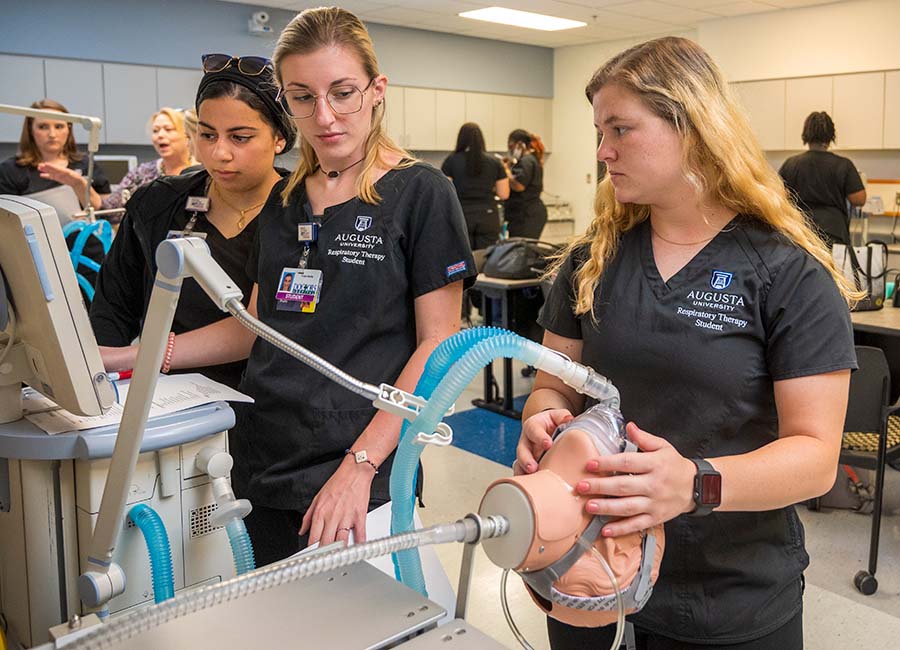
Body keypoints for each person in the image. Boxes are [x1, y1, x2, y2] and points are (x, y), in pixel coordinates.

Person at [515, 37, 857, 650]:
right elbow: (551, 384)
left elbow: (815, 458)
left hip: (727, 600)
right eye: (599, 131)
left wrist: (693, 484)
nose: (603, 151)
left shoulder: (787, 273)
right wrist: (542, 420)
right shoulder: (593, 260)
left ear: (693, 128)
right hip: (589, 576)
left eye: (620, 129)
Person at [222, 5, 474, 566]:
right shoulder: (284, 201)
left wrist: (361, 467)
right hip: (264, 457)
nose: (325, 115)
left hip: (358, 467)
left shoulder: (420, 194)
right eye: (303, 97)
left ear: (377, 89)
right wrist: (141, 356)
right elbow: (259, 329)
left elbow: (439, 347)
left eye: (343, 92)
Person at [89, 55, 297, 390]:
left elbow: (265, 328)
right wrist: (98, 385)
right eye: (208, 135)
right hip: (163, 397)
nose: (219, 153)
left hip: (262, 404)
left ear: (279, 138)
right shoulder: (158, 202)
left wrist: (144, 355)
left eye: (240, 137)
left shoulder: (299, 212)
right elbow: (113, 307)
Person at [0, 99, 110, 212]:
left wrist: (79, 185)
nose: (52, 134)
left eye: (59, 126)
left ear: (69, 129)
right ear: (30, 130)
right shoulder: (10, 170)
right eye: (43, 127)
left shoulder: (87, 164)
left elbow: (109, 214)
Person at [779, 111, 866, 248]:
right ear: (831, 135)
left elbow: (780, 196)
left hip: (800, 231)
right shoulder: (843, 165)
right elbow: (859, 199)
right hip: (834, 232)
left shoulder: (791, 164)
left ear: (806, 134)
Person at [101, 107, 195, 217]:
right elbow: (109, 210)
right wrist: (81, 184)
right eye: (155, 130)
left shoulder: (201, 173)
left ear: (187, 134)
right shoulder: (142, 173)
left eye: (168, 129)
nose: (160, 135)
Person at [441, 122, 509, 250]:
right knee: (486, 259)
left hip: (461, 215)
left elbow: (446, 192)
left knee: (463, 259)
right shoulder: (495, 162)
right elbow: (504, 194)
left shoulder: (451, 161)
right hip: (488, 216)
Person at [503, 128, 547, 239]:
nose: (510, 150)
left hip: (527, 215)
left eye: (511, 146)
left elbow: (519, 185)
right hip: (529, 213)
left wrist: (506, 170)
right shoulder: (531, 160)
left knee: (522, 251)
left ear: (519, 144)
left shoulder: (526, 161)